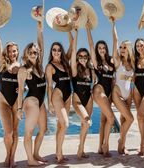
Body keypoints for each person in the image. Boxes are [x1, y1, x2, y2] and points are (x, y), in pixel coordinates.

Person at [17, 21, 47, 166]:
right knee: (28, 132)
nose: (33, 54)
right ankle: (30, 160)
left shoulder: (40, 67)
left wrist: (39, 29)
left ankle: (35, 154)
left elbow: (41, 44)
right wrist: (18, 109)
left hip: (41, 102)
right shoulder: (24, 70)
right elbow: (20, 91)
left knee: (43, 129)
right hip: (31, 102)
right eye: (30, 53)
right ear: (26, 55)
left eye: (35, 52)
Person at [86, 21, 115, 157]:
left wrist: (113, 24)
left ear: (106, 48)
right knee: (111, 118)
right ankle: (106, 145)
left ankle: (99, 147)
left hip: (108, 93)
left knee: (104, 121)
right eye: (99, 48)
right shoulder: (96, 62)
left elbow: (116, 42)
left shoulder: (111, 61)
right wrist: (88, 29)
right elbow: (91, 45)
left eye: (103, 48)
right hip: (99, 91)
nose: (101, 50)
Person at [45, 33, 72, 163]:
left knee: (61, 125)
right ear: (51, 51)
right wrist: (49, 102)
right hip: (58, 95)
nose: (56, 52)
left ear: (61, 51)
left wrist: (68, 29)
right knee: (65, 124)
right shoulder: (50, 66)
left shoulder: (65, 62)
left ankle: (58, 152)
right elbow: (49, 86)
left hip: (68, 95)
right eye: (54, 49)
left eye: (59, 50)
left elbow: (72, 44)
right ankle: (59, 153)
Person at [71, 25, 96, 159]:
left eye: (85, 56)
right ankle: (80, 149)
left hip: (89, 99)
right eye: (80, 56)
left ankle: (81, 149)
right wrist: (76, 33)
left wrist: (88, 30)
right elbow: (74, 49)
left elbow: (92, 48)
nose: (83, 58)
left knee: (84, 126)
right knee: (87, 121)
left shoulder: (91, 71)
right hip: (77, 100)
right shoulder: (75, 70)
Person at [111, 17, 135, 155]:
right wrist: (113, 24)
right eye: (121, 47)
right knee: (130, 119)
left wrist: (131, 96)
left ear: (129, 49)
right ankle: (121, 141)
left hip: (128, 96)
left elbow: (131, 82)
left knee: (123, 119)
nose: (121, 49)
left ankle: (122, 146)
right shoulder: (118, 62)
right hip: (118, 94)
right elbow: (115, 41)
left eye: (124, 47)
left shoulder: (131, 65)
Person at [0, 33, 20, 167]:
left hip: (16, 101)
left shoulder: (21, 67)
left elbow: (26, 83)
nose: (12, 53)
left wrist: (25, 88)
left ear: (17, 51)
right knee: (9, 132)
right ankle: (7, 155)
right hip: (3, 101)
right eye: (10, 51)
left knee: (16, 131)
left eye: (14, 51)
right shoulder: (2, 64)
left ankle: (12, 158)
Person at [133, 38, 144, 156]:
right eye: (137, 46)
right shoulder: (135, 59)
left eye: (141, 45)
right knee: (141, 117)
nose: (139, 47)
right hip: (137, 89)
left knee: (140, 115)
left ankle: (143, 144)